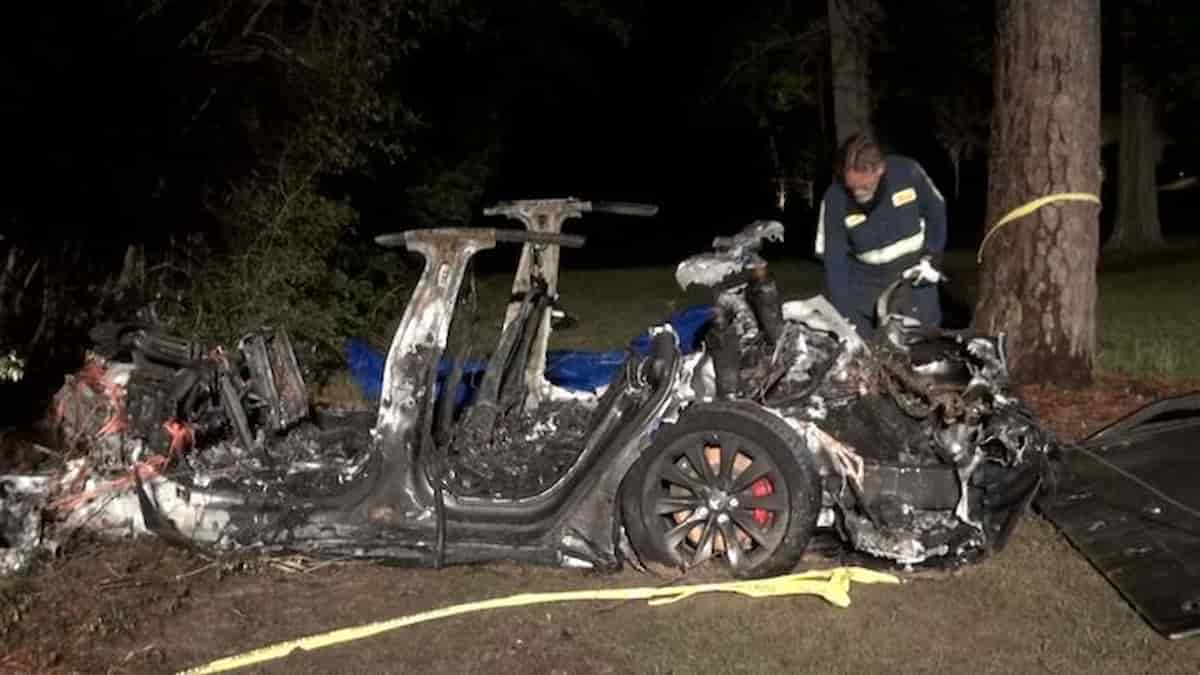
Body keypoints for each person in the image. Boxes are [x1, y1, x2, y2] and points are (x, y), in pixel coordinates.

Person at [814, 132, 947, 338]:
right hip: (865, 292)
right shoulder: (835, 199)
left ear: (880, 169)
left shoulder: (908, 173)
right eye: (852, 188)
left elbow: (936, 212)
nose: (858, 194)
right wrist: (848, 319)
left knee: (924, 347)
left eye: (865, 187)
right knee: (868, 351)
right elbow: (835, 265)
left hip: (915, 281)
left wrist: (932, 256)